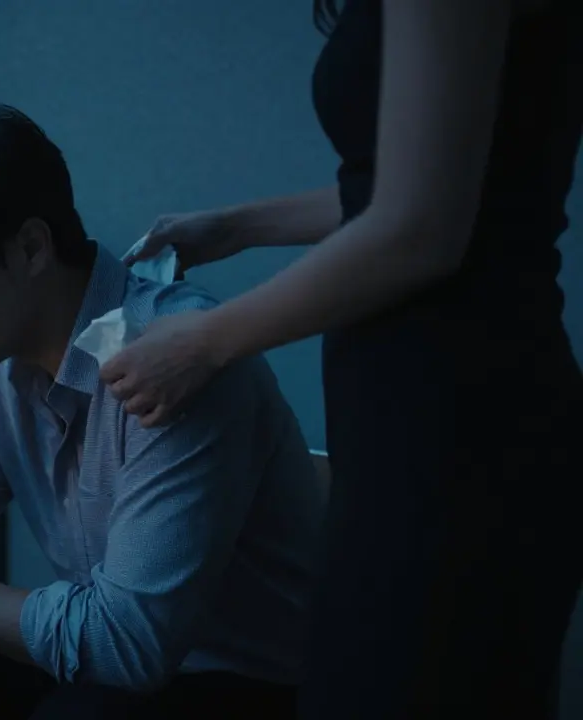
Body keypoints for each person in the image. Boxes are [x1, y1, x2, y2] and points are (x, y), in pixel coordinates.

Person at [103, 1, 583, 717]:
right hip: (429, 427)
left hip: (464, 432)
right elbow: (410, 189)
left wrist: (205, 342)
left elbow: (419, 228)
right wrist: (236, 226)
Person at [0, 105, 325, 719]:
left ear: (30, 248)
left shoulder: (176, 356)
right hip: (122, 667)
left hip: (254, 685)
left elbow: (128, 646)